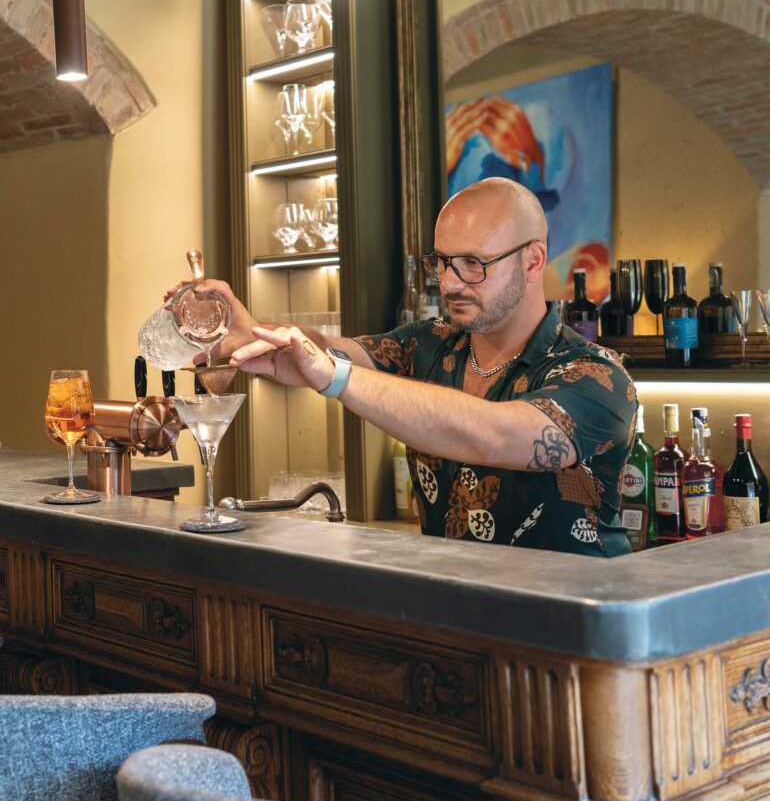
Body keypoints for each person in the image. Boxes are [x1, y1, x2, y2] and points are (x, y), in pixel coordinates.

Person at [182, 178, 636, 556]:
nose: (451, 283)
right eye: (442, 263)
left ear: (533, 260)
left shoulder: (595, 375)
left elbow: (494, 434)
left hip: (573, 631)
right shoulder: (430, 342)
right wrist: (255, 333)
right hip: (456, 618)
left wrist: (332, 377)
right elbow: (333, 349)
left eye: (474, 264)